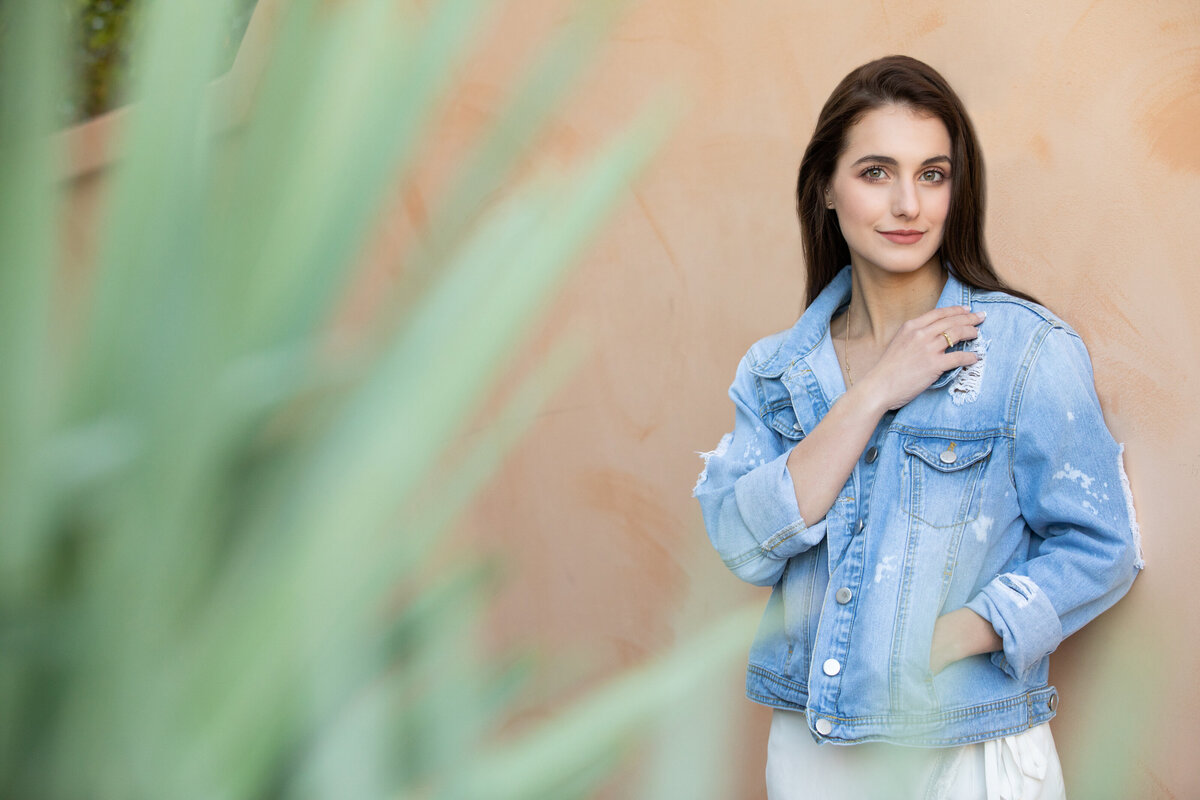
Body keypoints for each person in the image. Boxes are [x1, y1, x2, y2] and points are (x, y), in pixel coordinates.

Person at [692, 55, 1143, 800]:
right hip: (813, 751)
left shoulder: (1024, 352)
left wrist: (953, 636)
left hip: (967, 744)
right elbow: (743, 547)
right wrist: (871, 394)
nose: (909, 203)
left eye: (933, 174)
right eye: (876, 172)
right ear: (826, 190)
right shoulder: (776, 374)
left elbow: (1104, 545)